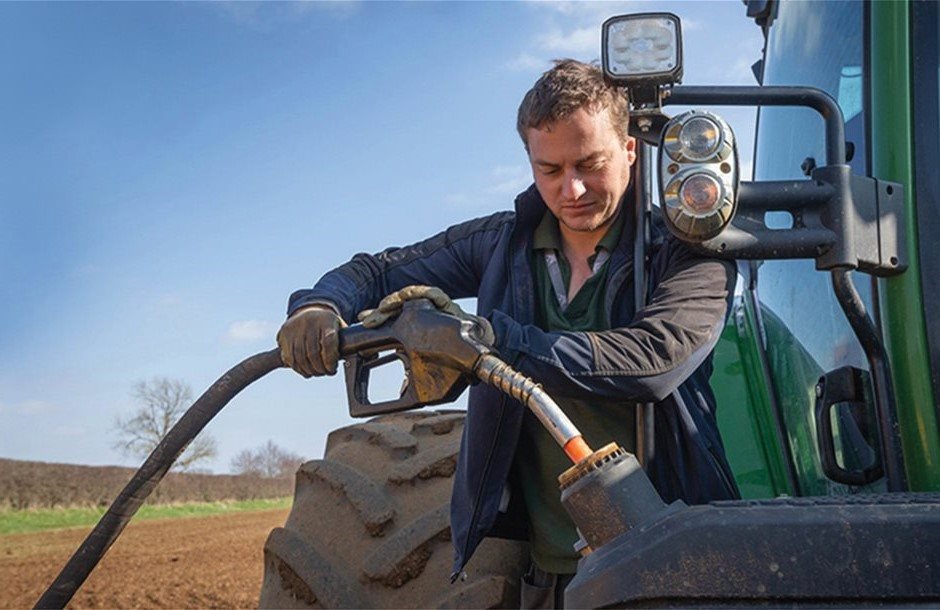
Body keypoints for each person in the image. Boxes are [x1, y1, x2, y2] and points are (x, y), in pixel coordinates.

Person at [277, 59, 739, 609]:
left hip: (676, 562)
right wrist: (319, 304)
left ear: (630, 149)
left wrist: (487, 343)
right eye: (550, 169)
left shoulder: (688, 250)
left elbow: (654, 360)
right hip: (550, 569)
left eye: (590, 164)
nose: (572, 188)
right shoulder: (501, 244)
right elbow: (379, 271)